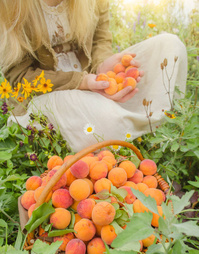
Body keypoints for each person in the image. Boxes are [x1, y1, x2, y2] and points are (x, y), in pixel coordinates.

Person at [0, 0, 187, 152]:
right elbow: (20, 77)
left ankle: (160, 129)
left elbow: (100, 40)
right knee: (105, 118)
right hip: (45, 95)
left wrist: (104, 65)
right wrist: (81, 82)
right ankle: (127, 127)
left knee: (170, 46)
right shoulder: (10, 6)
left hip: (92, 82)